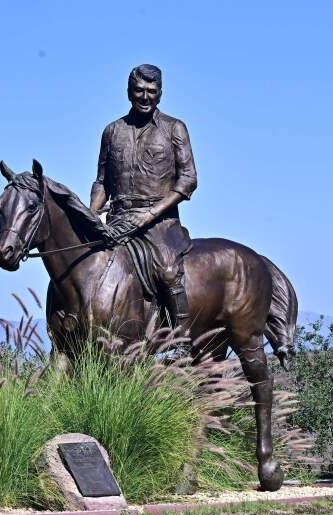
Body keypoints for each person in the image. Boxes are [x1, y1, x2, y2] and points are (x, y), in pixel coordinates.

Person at [90, 64, 197, 349]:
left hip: (160, 222)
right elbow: (102, 181)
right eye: (139, 90)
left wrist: (150, 213)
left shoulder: (175, 128)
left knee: (166, 269)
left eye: (152, 91)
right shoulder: (112, 131)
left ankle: (181, 342)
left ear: (160, 93)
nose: (145, 96)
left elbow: (188, 180)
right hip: (118, 218)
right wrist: (92, 212)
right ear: (129, 92)